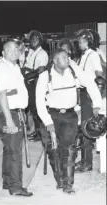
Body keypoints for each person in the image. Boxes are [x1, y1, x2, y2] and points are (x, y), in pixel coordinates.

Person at [36, 49, 101, 194]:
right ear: (55, 60)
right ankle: (59, 179)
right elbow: (39, 102)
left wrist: (96, 103)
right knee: (54, 151)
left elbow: (90, 84)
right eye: (64, 57)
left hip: (70, 116)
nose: (68, 59)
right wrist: (48, 122)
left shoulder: (74, 71)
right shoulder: (45, 76)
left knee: (69, 149)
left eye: (68, 57)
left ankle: (68, 184)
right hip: (52, 115)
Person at [0, 40, 33, 197]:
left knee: (9, 149)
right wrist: (9, 120)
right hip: (9, 114)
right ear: (4, 52)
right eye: (11, 50)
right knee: (15, 151)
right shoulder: (2, 69)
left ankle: (8, 181)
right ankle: (16, 187)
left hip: (17, 112)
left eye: (17, 50)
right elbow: (2, 95)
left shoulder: (14, 67)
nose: (16, 52)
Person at [75, 29, 104, 173]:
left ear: (90, 42)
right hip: (82, 93)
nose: (80, 43)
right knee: (82, 127)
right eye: (79, 41)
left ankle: (88, 163)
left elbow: (99, 77)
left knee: (87, 127)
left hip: (88, 95)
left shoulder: (93, 55)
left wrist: (95, 100)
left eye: (83, 41)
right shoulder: (83, 55)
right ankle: (84, 159)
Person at [22, 30, 49, 142]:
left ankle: (41, 133)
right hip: (29, 82)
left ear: (40, 40)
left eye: (35, 39)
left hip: (36, 82)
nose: (32, 41)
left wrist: (27, 77)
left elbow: (41, 69)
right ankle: (36, 131)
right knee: (32, 109)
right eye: (31, 39)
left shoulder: (42, 53)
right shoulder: (32, 52)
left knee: (37, 109)